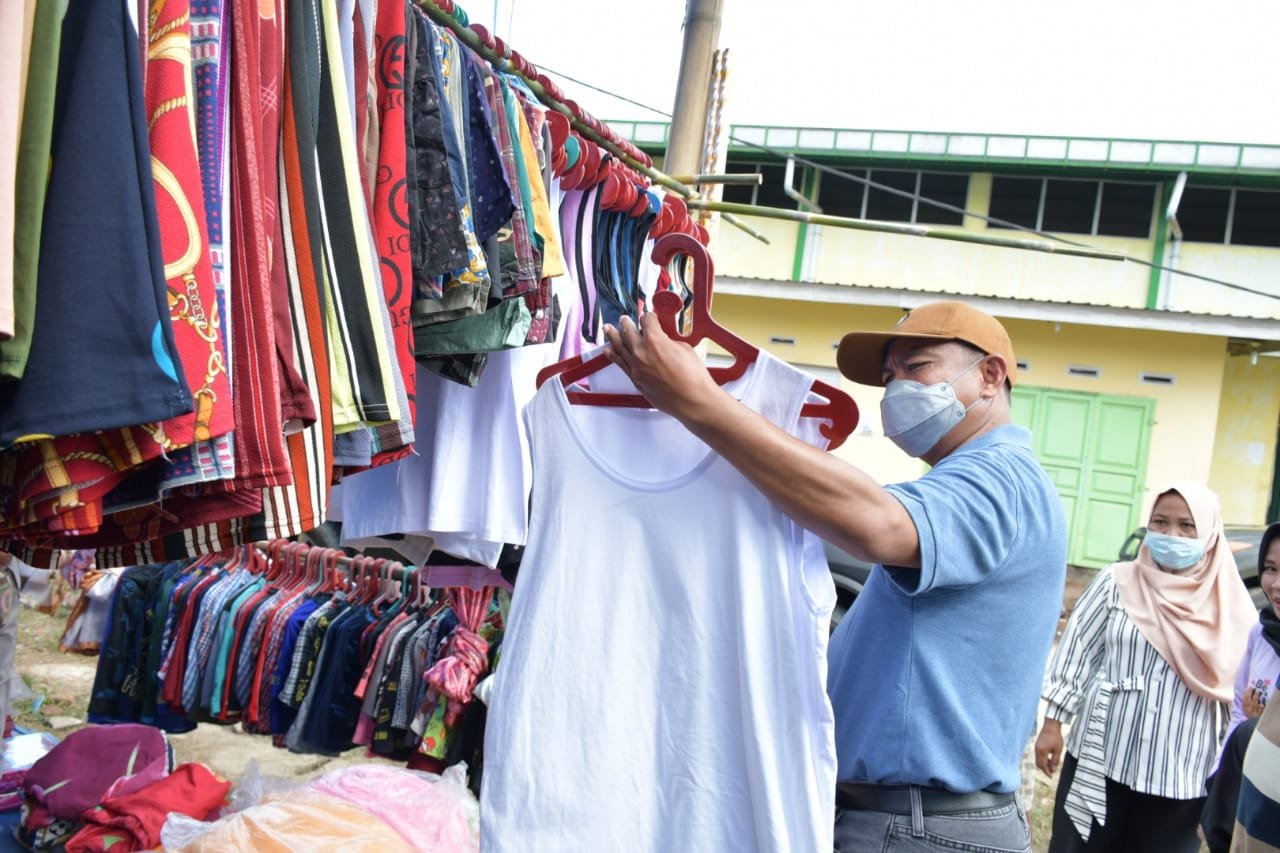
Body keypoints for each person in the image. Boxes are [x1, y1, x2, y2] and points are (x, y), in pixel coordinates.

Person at [604, 300, 1068, 852]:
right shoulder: (979, 480)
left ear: (990, 375)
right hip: (908, 818)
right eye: (890, 378)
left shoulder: (1000, 479)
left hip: (922, 827)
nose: (897, 392)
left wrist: (700, 403)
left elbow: (878, 524)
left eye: (916, 369)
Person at [1034, 483, 1256, 853]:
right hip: (1101, 755)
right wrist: (1053, 723)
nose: (1172, 535)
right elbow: (1077, 652)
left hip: (1179, 772)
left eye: (1187, 526)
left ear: (1210, 533)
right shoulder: (1115, 582)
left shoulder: (1230, 607)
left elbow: (1240, 697)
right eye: (1161, 522)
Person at [1199, 521, 1280, 852]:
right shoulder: (1260, 635)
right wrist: (1222, 788)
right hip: (1252, 796)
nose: (1276, 585)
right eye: (1270, 569)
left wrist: (1264, 728)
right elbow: (1237, 714)